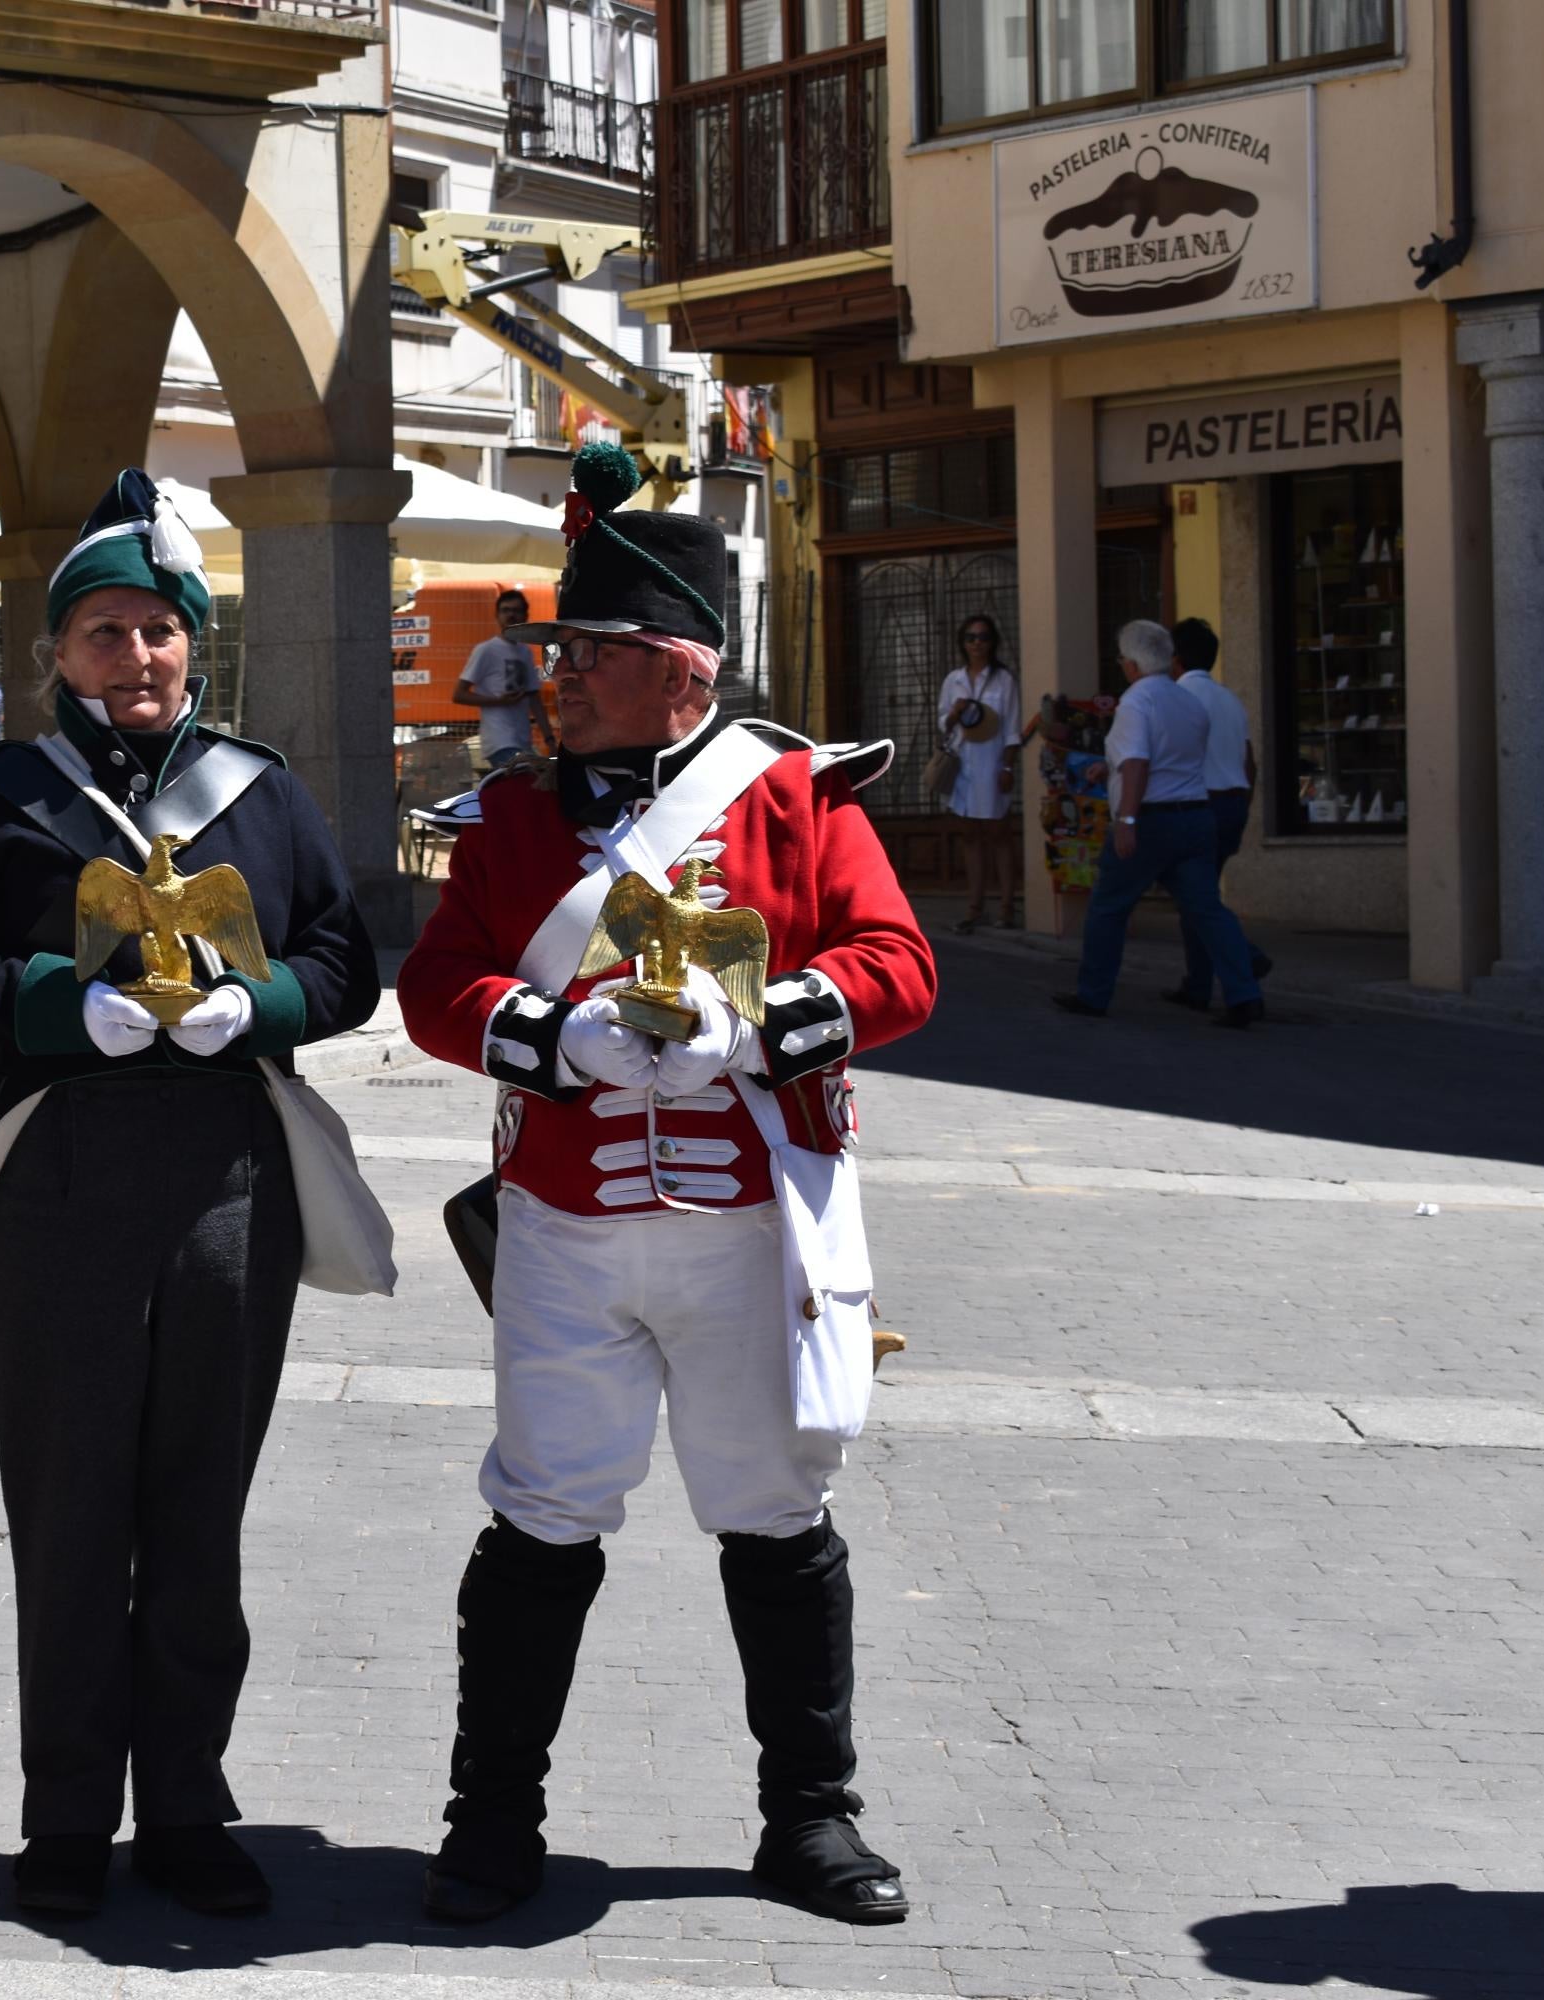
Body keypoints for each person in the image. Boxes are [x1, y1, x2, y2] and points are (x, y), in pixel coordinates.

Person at [398, 444, 936, 1930]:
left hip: (752, 1235)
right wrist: (552, 1034)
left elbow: (900, 967)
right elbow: (438, 992)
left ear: (679, 670)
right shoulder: (511, 821)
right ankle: (490, 1821)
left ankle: (810, 1819)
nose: (554, 677)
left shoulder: (795, 799)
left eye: (588, 654)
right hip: (568, 1233)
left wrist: (759, 1025)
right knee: (540, 1521)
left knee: (774, 1513)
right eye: (561, 653)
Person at [0, 469, 383, 1921]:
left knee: (196, 1516)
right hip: (59, 1178)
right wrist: (55, 1004)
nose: (138, 657)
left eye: (160, 630)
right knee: (66, 1511)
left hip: (229, 1182)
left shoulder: (264, 789)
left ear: (192, 644)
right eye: (104, 632)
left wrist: (269, 1005)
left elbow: (350, 963)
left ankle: (183, 1806)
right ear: (55, 654)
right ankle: (62, 1819)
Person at [1053, 620, 1264, 1027]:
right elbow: (1167, 757)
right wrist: (1109, 768)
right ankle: (1245, 993)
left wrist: (1127, 819)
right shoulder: (1188, 701)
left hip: (1151, 817)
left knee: (1108, 907)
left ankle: (1093, 995)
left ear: (1131, 664)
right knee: (1207, 909)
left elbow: (1138, 763)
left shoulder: (1137, 701)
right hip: (1195, 815)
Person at [1165, 617, 1271, 1012]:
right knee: (1199, 895)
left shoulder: (1177, 697)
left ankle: (1242, 957)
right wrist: (1242, 804)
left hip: (1197, 805)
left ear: (1174, 658)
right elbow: (1249, 762)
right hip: (1232, 803)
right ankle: (1198, 984)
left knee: (1196, 898)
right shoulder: (1229, 698)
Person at [936, 615, 1022, 932]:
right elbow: (942, 724)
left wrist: (1008, 766)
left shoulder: (1004, 681)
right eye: (971, 637)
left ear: (992, 642)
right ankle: (975, 906)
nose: (977, 643)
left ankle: (1007, 907)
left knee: (999, 835)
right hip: (963, 765)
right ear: (963, 642)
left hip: (993, 764)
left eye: (983, 637)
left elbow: (1013, 728)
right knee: (970, 835)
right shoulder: (953, 680)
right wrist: (955, 712)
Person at [452, 588, 548, 770]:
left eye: (516, 610)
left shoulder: (525, 652)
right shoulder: (486, 650)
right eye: (506, 610)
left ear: (525, 616)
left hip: (521, 740)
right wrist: (498, 701)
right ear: (497, 616)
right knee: (529, 781)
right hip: (499, 741)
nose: (511, 615)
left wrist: (549, 739)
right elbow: (458, 694)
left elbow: (534, 699)